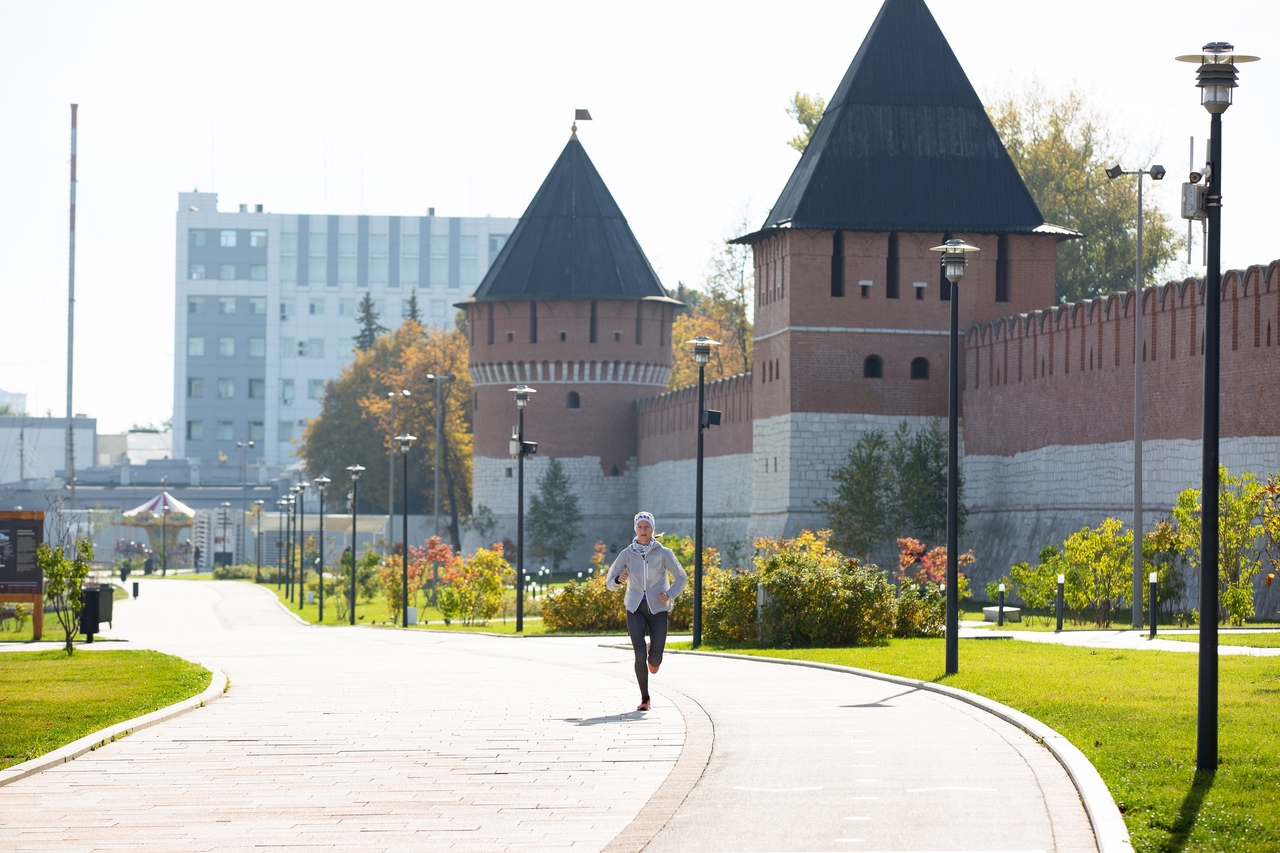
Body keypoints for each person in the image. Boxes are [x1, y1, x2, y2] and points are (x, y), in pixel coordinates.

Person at [606, 512, 687, 711]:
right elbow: (610, 581)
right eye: (640, 527)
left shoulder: (663, 553)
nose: (643, 530)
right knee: (639, 654)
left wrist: (669, 594)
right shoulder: (626, 554)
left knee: (655, 662)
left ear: (653, 529)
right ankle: (645, 698)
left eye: (647, 527)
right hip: (635, 608)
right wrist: (618, 581)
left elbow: (681, 577)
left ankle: (654, 651)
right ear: (635, 529)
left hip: (658, 609)